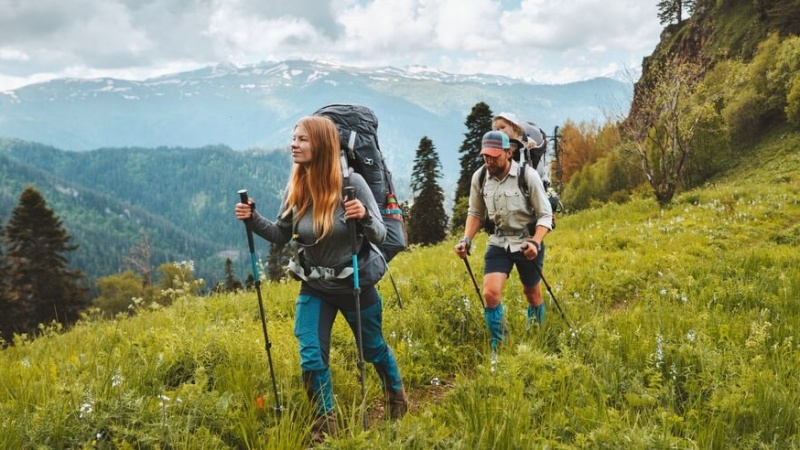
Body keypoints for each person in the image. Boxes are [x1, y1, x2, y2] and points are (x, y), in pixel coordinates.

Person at [235, 115, 407, 442]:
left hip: (355, 284)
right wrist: (253, 218)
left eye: (302, 139)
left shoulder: (353, 184)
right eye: (294, 138)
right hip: (314, 286)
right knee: (312, 356)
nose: (293, 144)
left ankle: (396, 398)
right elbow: (281, 234)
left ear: (322, 145)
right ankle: (324, 429)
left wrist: (364, 215)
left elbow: (380, 233)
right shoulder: (297, 186)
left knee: (372, 349)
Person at [454, 130, 553, 361]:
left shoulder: (527, 176)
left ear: (509, 153)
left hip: (527, 242)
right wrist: (466, 239)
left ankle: (537, 338)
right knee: (490, 294)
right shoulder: (480, 177)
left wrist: (535, 242)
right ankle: (500, 346)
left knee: (532, 295)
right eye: (485, 156)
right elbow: (475, 213)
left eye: (494, 156)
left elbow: (545, 215)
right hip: (499, 242)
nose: (488, 160)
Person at [491, 112, 552, 329]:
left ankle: (537, 328)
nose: (498, 131)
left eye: (503, 127)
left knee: (531, 290)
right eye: (495, 128)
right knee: (492, 292)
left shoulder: (527, 151)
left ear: (515, 129)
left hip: (529, 229)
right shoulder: (497, 155)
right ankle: (500, 341)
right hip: (503, 235)